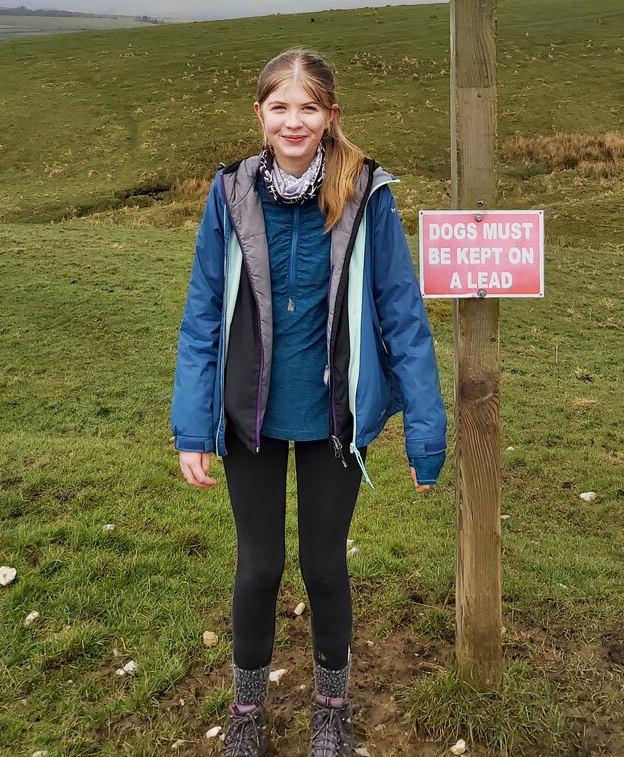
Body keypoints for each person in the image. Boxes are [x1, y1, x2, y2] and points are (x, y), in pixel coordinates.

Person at [171, 48, 447, 757]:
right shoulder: (230, 193)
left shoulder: (367, 195)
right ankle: (248, 708)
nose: (294, 121)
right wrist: (192, 426)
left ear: (331, 117)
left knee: (324, 566)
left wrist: (425, 429)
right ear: (259, 115)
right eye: (280, 106)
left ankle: (332, 705)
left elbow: (402, 313)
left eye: (308, 107)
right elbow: (204, 313)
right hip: (248, 417)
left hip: (336, 420)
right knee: (258, 566)